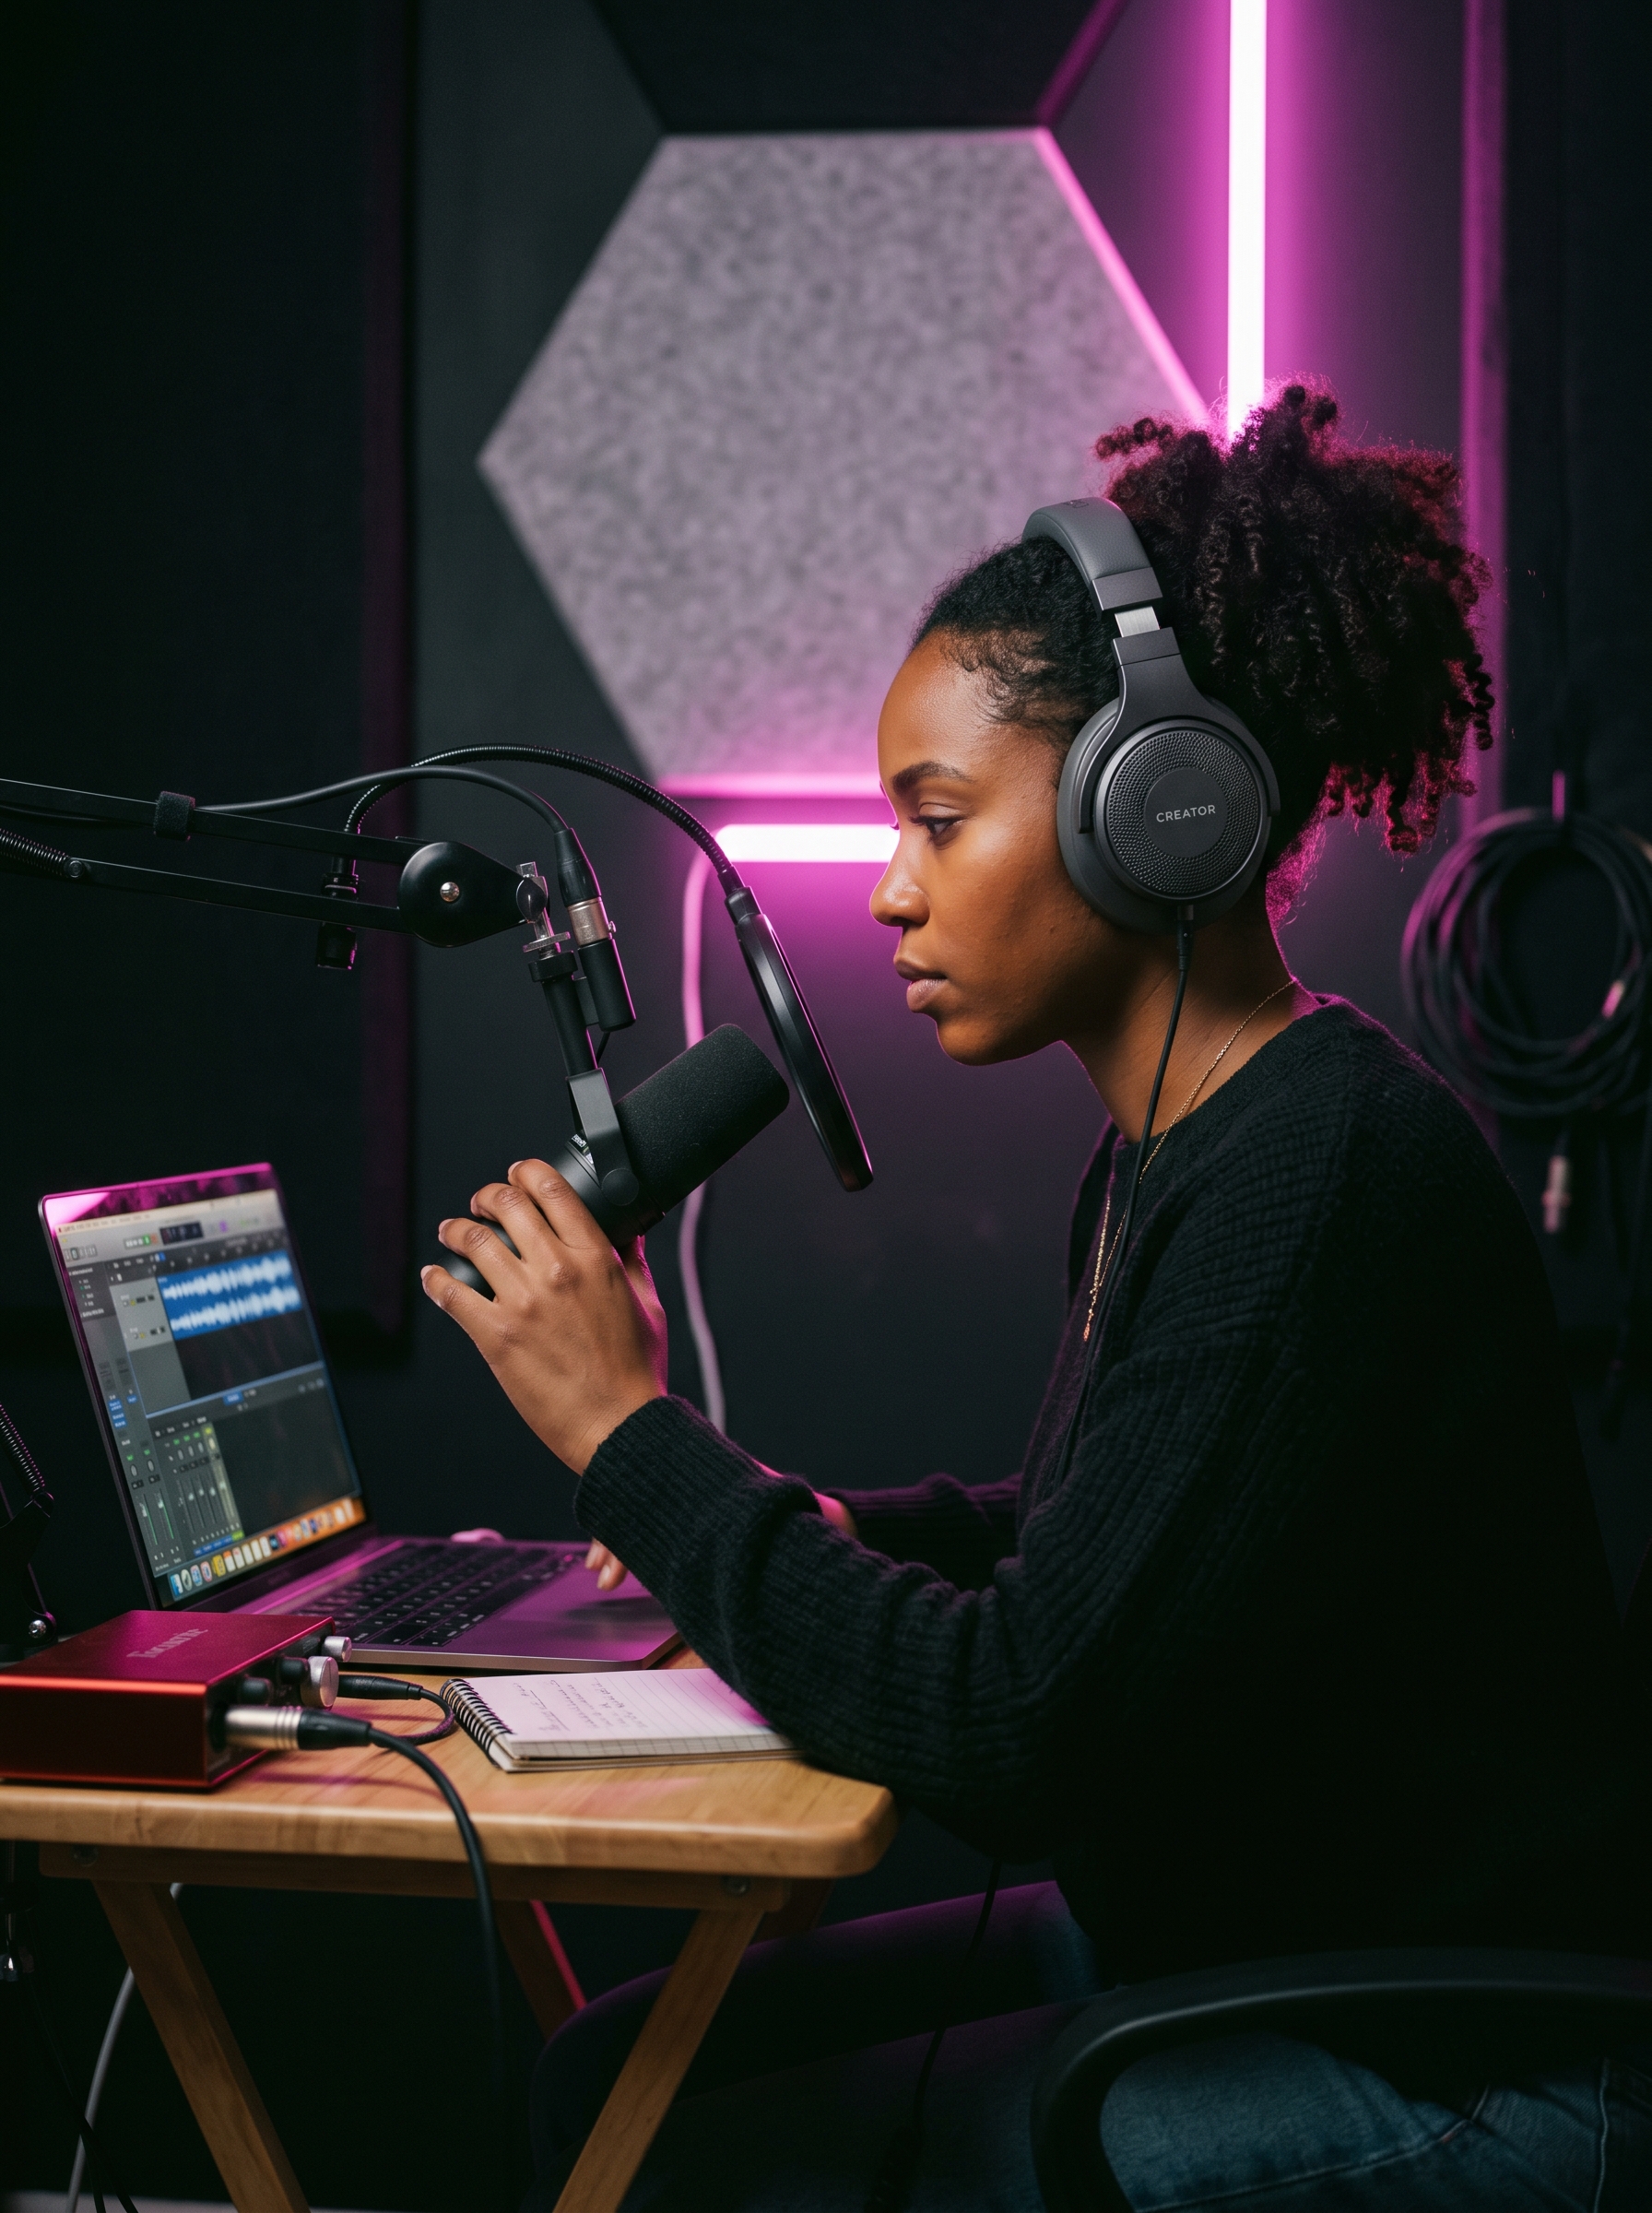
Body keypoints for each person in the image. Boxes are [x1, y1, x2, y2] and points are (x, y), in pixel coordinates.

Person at [422, 386, 1652, 2209]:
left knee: (721, 2161)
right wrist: (841, 1525)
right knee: (622, 2084)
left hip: (1463, 2060)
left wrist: (627, 1437)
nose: (893, 895)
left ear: (1153, 807)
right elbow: (1129, 1546)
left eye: (934, 818)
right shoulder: (1193, 1141)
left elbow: (1013, 1728)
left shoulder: (1317, 1173)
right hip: (1247, 1954)